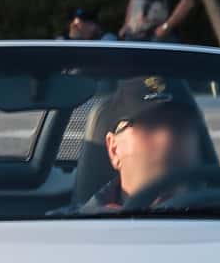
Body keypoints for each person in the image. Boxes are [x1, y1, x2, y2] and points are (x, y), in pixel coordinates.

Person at [59, 75, 202, 214]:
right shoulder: (67, 231)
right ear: (114, 149)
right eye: (149, 125)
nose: (167, 138)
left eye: (180, 125)